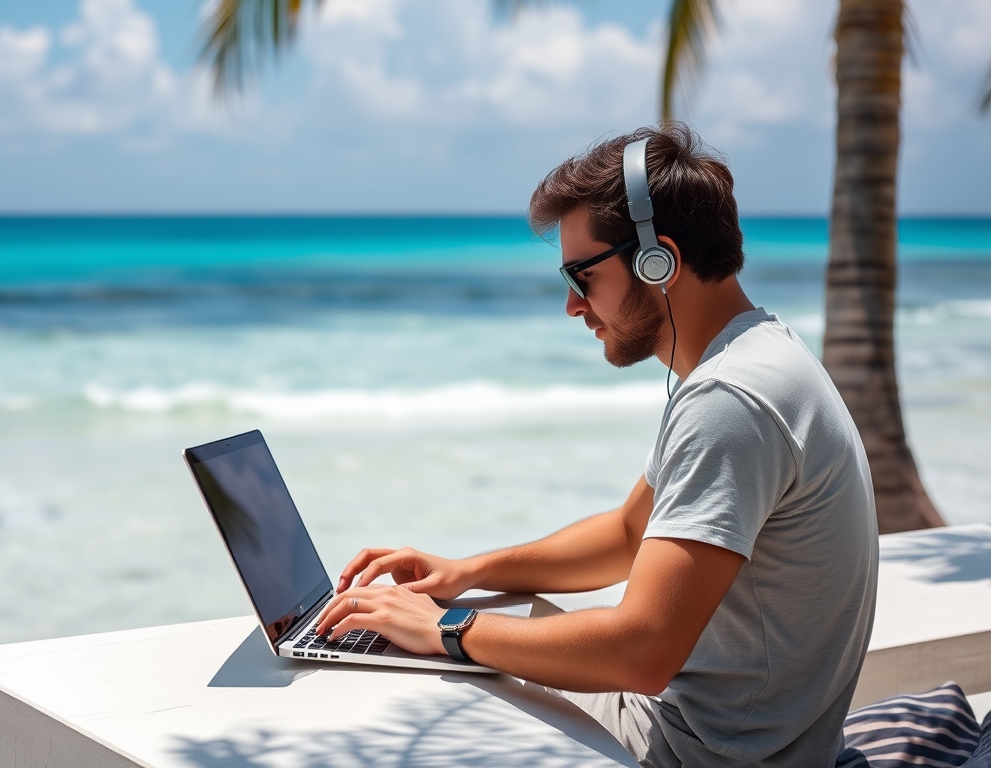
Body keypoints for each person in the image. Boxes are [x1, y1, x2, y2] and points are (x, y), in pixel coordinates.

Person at [314, 123, 879, 767]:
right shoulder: (755, 356)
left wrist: (443, 628)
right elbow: (626, 534)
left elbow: (642, 654)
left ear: (656, 260)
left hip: (689, 753)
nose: (571, 305)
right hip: (724, 739)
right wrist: (465, 573)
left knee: (406, 702)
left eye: (580, 276)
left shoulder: (731, 401)